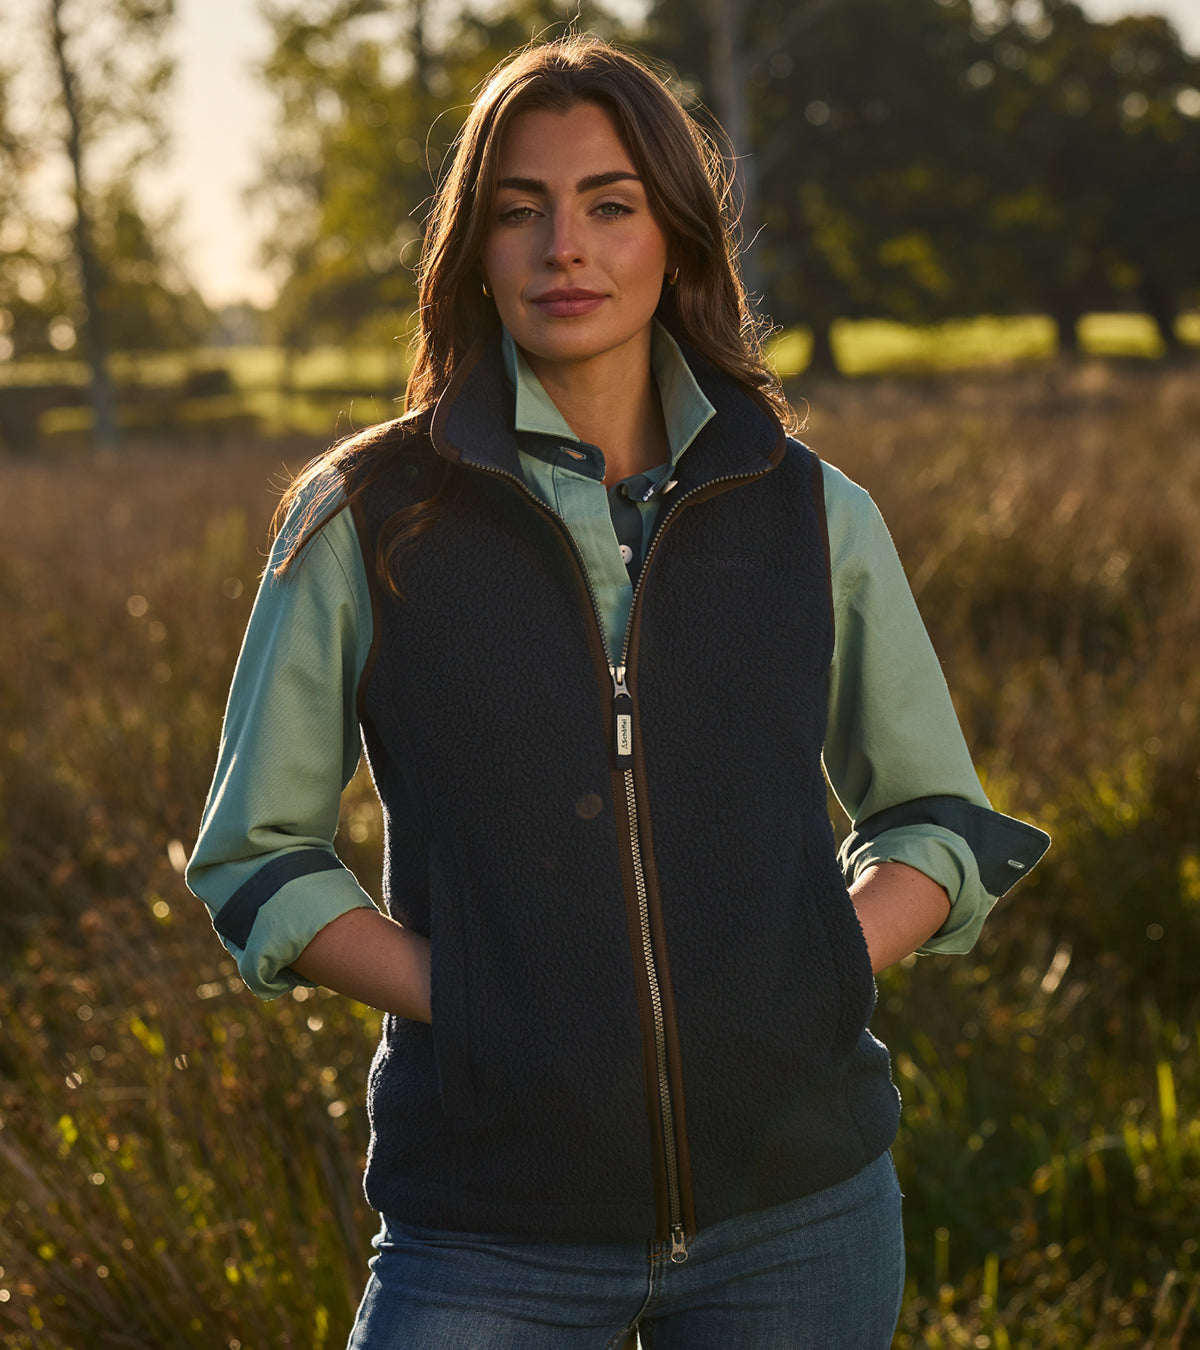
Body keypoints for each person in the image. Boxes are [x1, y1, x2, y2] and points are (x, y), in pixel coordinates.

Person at [187, 34, 1049, 1350]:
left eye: (609, 205)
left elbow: (936, 815)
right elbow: (257, 855)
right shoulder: (365, 517)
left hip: (802, 1216)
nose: (563, 248)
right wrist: (481, 1002)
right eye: (519, 210)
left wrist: (819, 963)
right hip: (487, 1230)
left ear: (677, 240)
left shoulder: (813, 512)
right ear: (475, 251)